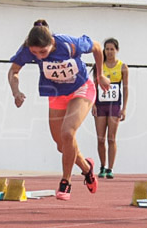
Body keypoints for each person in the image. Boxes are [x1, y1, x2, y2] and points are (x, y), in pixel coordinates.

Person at [8, 19, 106, 201]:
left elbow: (97, 47)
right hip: (56, 94)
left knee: (68, 133)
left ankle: (65, 182)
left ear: (52, 43)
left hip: (81, 89)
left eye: (43, 52)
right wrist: (16, 91)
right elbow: (13, 71)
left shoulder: (68, 44)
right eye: (35, 53)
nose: (40, 56)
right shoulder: (27, 49)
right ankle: (86, 169)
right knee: (61, 144)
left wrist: (99, 75)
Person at [92, 38, 128, 179]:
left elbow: (125, 89)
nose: (109, 52)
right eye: (107, 49)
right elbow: (93, 87)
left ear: (117, 50)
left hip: (114, 105)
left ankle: (110, 168)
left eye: (112, 49)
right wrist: (93, 104)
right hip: (100, 105)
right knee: (100, 138)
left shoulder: (122, 67)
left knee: (111, 138)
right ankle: (102, 165)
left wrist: (124, 108)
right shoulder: (99, 66)